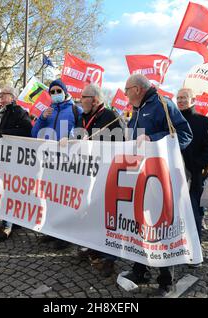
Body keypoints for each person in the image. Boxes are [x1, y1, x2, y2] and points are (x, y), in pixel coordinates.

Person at [122, 74, 193, 296]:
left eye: (126, 90)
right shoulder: (137, 109)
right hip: (139, 174)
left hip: (160, 177)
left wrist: (153, 139)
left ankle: (165, 279)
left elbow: (184, 134)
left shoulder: (163, 104)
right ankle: (140, 268)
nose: (125, 94)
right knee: (140, 224)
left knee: (161, 225)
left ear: (137, 89)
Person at [74, 83, 123, 277]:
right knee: (91, 211)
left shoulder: (110, 117)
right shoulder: (82, 116)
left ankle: (110, 258)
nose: (80, 100)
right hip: (88, 171)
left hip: (107, 172)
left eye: (83, 97)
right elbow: (77, 138)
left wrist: (95, 145)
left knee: (108, 214)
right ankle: (93, 247)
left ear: (94, 100)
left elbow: (119, 145)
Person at [31, 79, 83, 250]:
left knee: (65, 198)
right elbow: (34, 134)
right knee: (50, 196)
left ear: (65, 91)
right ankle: (52, 230)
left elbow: (83, 132)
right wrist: (40, 119)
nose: (54, 94)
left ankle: (65, 235)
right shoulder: (48, 111)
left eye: (57, 91)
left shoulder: (76, 110)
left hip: (68, 162)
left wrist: (71, 136)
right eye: (51, 92)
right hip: (49, 161)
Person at [0, 85, 33, 243]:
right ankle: (14, 220)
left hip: (11, 158)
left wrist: (5, 133)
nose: (1, 97)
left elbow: (26, 130)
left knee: (7, 190)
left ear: (12, 97)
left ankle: (6, 225)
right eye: (0, 94)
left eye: (4, 94)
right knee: (2, 188)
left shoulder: (18, 111)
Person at [177, 88, 208, 242]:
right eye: (178, 98)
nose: (180, 101)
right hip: (172, 175)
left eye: (184, 98)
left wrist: (194, 166)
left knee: (194, 214)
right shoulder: (170, 122)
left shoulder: (204, 121)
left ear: (193, 100)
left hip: (193, 177)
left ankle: (195, 253)